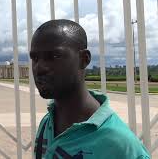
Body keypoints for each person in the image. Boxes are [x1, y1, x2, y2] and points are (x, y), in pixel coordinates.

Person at [30, 19, 150, 158]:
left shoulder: (121, 146)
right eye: (35, 58)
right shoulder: (48, 123)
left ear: (84, 59)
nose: (39, 68)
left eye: (54, 56)